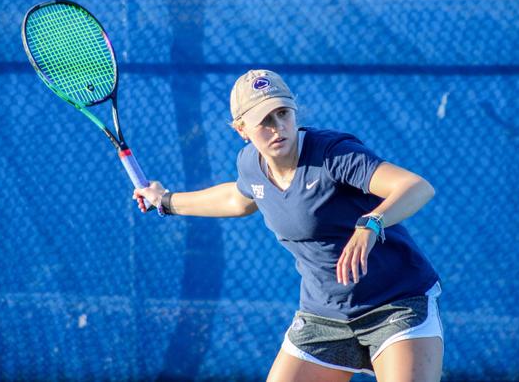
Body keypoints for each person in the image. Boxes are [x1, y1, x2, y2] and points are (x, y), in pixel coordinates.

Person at [133, 69, 443, 382]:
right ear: (242, 129)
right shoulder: (250, 166)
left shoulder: (333, 153)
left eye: (283, 114)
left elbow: (416, 187)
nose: (278, 127)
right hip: (324, 315)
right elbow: (238, 199)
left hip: (396, 304)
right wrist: (166, 200)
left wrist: (370, 224)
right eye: (264, 121)